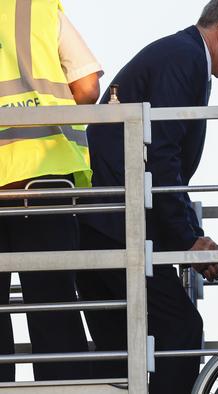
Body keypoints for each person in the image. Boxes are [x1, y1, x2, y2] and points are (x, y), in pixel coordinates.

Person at [75, 1, 218, 392]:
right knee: (180, 327)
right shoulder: (184, 59)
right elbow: (162, 156)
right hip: (117, 222)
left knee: (122, 352)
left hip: (108, 218)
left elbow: (161, 161)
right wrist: (187, 238)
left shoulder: (181, 55)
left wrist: (189, 234)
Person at [0, 0, 102, 382]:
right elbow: (87, 87)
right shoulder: (37, 8)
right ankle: (63, 389)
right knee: (53, 304)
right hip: (44, 178)